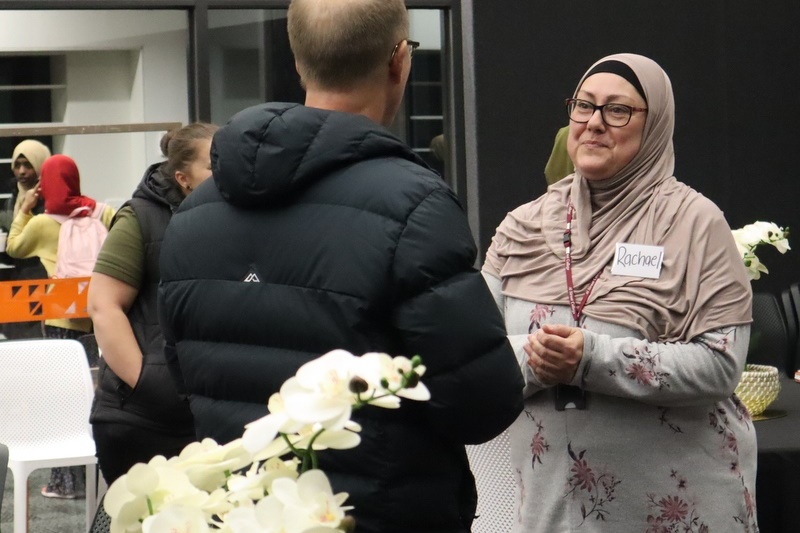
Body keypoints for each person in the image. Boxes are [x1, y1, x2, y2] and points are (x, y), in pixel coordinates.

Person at [157, 1, 524, 532]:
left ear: (298, 60)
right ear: (399, 60)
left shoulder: (193, 216)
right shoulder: (413, 205)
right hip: (380, 513)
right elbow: (483, 402)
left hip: (246, 512)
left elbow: (186, 378)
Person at [483, 53, 757, 531]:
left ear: (655, 125)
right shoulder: (520, 229)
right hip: (555, 509)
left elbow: (721, 364)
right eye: (583, 106)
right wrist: (540, 357)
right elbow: (473, 355)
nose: (594, 124)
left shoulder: (694, 223)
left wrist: (592, 358)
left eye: (618, 110)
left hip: (677, 509)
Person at [87, 122, 217, 485]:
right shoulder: (140, 217)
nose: (223, 172)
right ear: (183, 177)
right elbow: (103, 305)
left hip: (207, 415)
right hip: (142, 419)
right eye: (212, 165)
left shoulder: (233, 220)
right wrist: (148, 381)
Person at [6, 153, 116, 499]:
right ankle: (101, 471)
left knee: (60, 398)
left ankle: (64, 483)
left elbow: (14, 248)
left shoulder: (41, 224)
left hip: (60, 319)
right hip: (99, 314)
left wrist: (24, 208)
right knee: (96, 392)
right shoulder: (103, 213)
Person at [0, 140, 50, 339]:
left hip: (44, 275)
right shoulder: (12, 199)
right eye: (17, 165)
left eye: (28, 165)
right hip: (18, 274)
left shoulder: (49, 199)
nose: (21, 171)